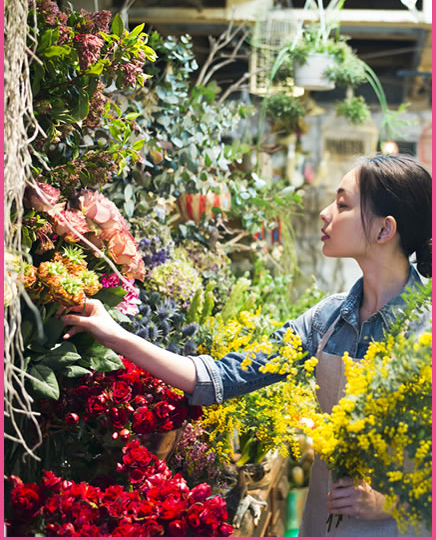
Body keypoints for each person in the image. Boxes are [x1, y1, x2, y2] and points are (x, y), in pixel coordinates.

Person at [59, 154, 432, 537]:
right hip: (323, 524)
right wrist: (114, 334)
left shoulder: (427, 333)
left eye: (342, 204)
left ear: (385, 231)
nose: (324, 214)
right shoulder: (329, 320)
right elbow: (223, 377)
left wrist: (390, 503)